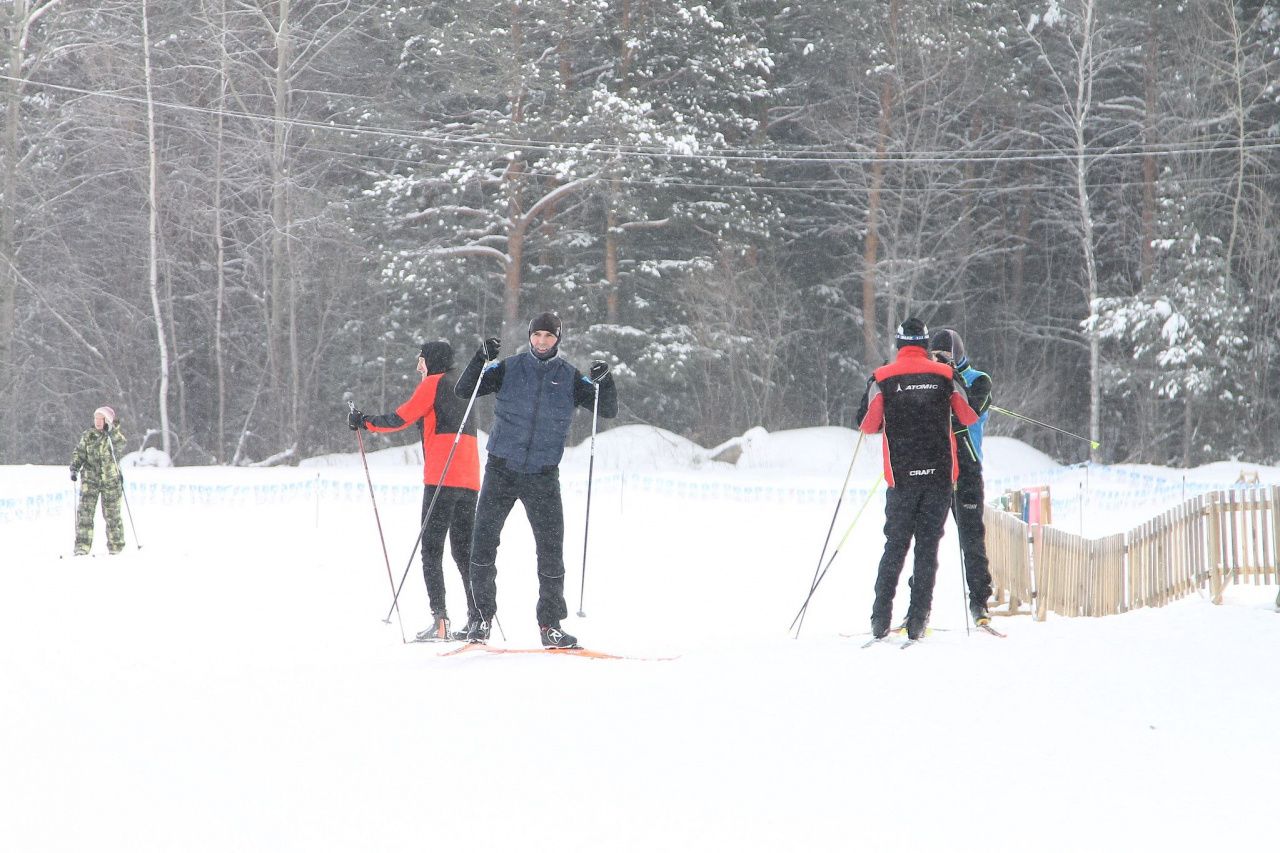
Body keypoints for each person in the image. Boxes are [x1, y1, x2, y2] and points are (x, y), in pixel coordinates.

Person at [454, 311, 617, 648]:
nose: (542, 342)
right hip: (502, 469)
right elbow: (464, 390)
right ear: (530, 337)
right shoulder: (508, 368)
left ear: (558, 339)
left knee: (550, 551)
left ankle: (550, 625)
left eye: (549, 336)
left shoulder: (570, 377)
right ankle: (480, 618)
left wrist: (606, 381)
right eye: (537, 335)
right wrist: (480, 358)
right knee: (483, 543)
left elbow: (608, 409)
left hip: (542, 476)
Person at [348, 341, 480, 641]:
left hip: (441, 477)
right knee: (464, 551)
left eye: (420, 360)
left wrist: (365, 422)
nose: (418, 367)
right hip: (470, 477)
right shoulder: (464, 386)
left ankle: (441, 619)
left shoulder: (433, 383)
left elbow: (401, 418)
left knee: (431, 549)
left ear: (432, 361)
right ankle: (478, 617)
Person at [859, 319, 977, 640]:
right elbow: (969, 415)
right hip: (939, 477)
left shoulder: (882, 377)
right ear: (925, 344)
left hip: (901, 479)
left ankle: (880, 618)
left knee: (895, 546)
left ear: (899, 344)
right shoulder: (944, 376)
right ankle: (918, 619)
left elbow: (868, 425)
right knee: (927, 548)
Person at [929, 328, 995, 627]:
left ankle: (979, 601)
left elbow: (971, 410)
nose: (942, 359)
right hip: (938, 464)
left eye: (946, 354)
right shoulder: (932, 378)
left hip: (967, 464)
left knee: (971, 536)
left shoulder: (978, 379)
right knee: (927, 537)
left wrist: (951, 378)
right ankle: (919, 605)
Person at [69, 406, 127, 556]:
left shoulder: (113, 436)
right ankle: (82, 546)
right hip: (90, 480)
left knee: (112, 515)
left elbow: (120, 445)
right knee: (85, 514)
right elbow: (80, 453)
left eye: (102, 419)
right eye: (96, 418)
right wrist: (74, 467)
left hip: (111, 481)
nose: (98, 422)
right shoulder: (88, 436)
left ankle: (116, 547)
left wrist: (112, 430)